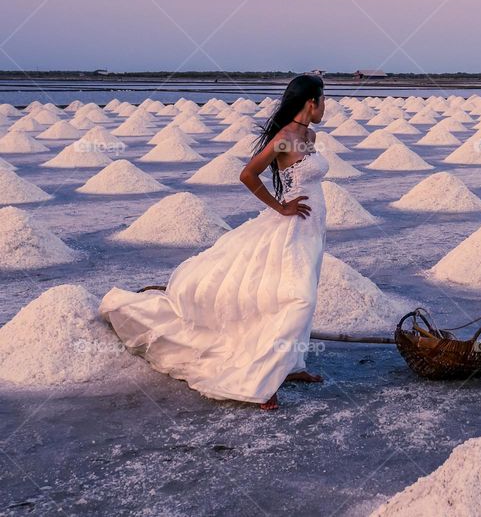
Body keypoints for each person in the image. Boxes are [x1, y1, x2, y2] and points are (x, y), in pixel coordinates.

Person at [101, 75, 329, 410]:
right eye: (324, 99)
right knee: (297, 299)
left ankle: (291, 366)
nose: (326, 107)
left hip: (313, 228)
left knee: (301, 291)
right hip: (292, 228)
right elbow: (248, 174)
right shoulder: (285, 138)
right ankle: (261, 380)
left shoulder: (310, 135)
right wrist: (281, 206)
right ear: (311, 101)